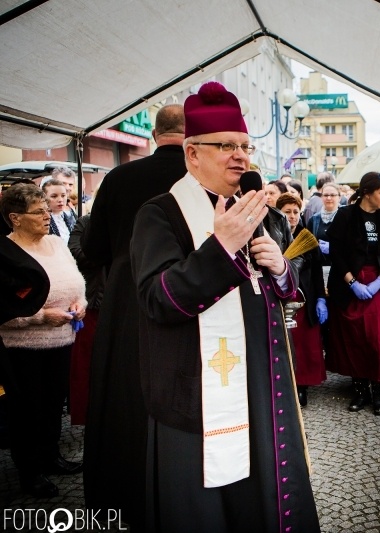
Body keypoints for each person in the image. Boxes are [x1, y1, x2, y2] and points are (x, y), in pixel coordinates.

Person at [129, 81, 319, 531]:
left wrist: (280, 272)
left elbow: (272, 294)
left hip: (259, 389)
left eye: (245, 146)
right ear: (192, 153)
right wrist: (221, 247)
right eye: (226, 146)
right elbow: (159, 299)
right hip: (197, 395)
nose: (241, 156)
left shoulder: (247, 209)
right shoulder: (159, 214)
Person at [81, 103, 187, 526]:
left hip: (128, 303)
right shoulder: (200, 177)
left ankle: (121, 493)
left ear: (155, 134)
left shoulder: (119, 177)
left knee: (124, 398)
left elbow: (94, 249)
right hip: (187, 302)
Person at [0, 184, 87, 498]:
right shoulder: (4, 253)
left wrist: (81, 304)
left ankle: (52, 457)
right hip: (23, 347)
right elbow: (3, 307)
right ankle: (30, 470)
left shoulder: (56, 244)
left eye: (47, 210)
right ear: (16, 218)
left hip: (62, 340)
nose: (47, 216)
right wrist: (39, 317)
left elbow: (78, 283)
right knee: (27, 410)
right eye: (39, 212)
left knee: (52, 404)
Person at [326, 172, 380, 417]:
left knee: (379, 337)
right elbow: (336, 253)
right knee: (354, 337)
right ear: (367, 192)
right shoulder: (346, 215)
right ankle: (360, 390)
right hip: (350, 283)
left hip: (378, 282)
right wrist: (352, 282)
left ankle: (378, 390)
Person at [277, 193, 326, 407]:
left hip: (304, 299)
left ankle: (301, 387)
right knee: (284, 343)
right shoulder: (272, 236)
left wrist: (320, 299)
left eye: (296, 212)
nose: (292, 216)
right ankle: (282, 386)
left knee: (304, 344)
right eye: (287, 212)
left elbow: (316, 273)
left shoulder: (307, 239)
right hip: (280, 298)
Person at [67, 214, 104, 426]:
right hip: (92, 303)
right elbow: (76, 252)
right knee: (86, 365)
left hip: (123, 303)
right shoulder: (87, 222)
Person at [43, 178, 73, 243]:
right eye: (54, 196)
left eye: (63, 195)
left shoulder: (71, 217)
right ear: (44, 197)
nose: (60, 200)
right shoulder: (42, 220)